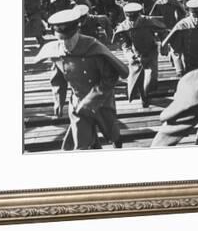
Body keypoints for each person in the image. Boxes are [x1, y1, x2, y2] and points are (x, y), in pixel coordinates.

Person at [34, 9, 129, 150]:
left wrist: (91, 100)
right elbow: (58, 78)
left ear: (77, 32)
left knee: (111, 132)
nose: (67, 44)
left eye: (70, 39)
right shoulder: (57, 52)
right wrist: (58, 100)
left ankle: (117, 145)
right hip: (77, 102)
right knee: (81, 142)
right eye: (62, 39)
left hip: (101, 101)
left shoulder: (93, 48)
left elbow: (110, 77)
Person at [113, 3, 168, 108]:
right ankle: (144, 98)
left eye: (134, 18)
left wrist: (163, 45)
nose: (132, 22)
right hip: (136, 55)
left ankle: (147, 93)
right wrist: (130, 55)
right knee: (137, 79)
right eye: (130, 18)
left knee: (151, 78)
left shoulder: (148, 21)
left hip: (150, 52)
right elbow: (125, 45)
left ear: (139, 15)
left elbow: (163, 31)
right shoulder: (124, 27)